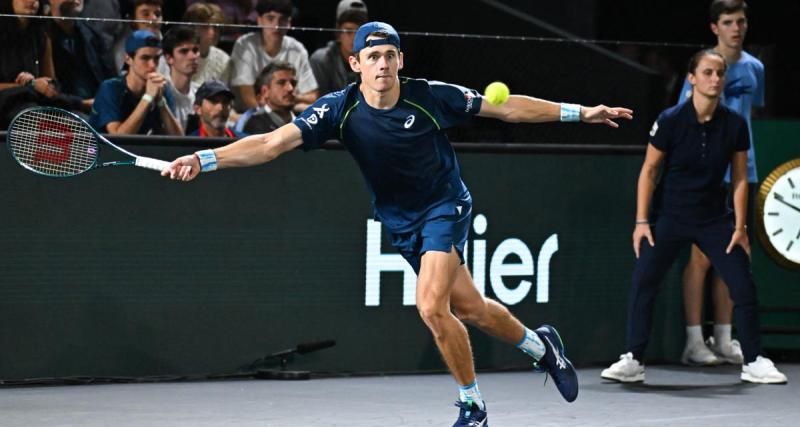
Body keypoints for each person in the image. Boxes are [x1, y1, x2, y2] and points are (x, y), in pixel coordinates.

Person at [163, 22, 633, 425]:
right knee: (469, 307)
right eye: (373, 56)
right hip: (400, 221)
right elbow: (269, 144)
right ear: (357, 64)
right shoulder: (338, 108)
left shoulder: (430, 96)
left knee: (430, 307)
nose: (383, 64)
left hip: (445, 205)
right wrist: (206, 158)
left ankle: (473, 407)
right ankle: (543, 348)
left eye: (390, 55)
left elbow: (507, 107)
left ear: (400, 60)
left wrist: (581, 112)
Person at [600, 49, 786, 385]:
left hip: (715, 219)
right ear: (692, 78)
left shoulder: (734, 124)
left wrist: (740, 226)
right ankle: (634, 359)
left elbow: (741, 176)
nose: (715, 79)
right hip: (670, 216)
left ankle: (755, 360)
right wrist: (642, 221)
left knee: (743, 285)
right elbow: (650, 170)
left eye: (719, 74)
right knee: (644, 281)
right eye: (708, 73)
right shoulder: (671, 120)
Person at [676, 0, 765, 367]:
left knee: (736, 254)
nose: (736, 28)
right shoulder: (703, 68)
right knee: (700, 257)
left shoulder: (756, 67)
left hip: (744, 172)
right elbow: (689, 117)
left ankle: (725, 339)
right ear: (715, 27)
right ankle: (694, 341)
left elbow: (750, 112)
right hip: (707, 174)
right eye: (728, 22)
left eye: (741, 21)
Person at [228, 0, 318, 112]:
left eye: (282, 19)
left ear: (289, 23)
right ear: (259, 21)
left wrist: (286, 97)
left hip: (286, 113)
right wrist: (279, 106)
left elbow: (312, 96)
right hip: (249, 115)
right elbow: (248, 97)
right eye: (270, 18)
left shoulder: (297, 48)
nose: (276, 26)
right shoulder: (245, 45)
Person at [90, 29, 182, 135]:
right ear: (128, 59)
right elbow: (118, 138)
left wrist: (161, 102)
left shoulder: (162, 88)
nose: (152, 65)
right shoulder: (110, 88)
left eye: (156, 58)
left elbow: (178, 139)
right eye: (145, 58)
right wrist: (147, 98)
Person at [45, 0, 116, 115]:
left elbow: (110, 77)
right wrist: (81, 103)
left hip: (98, 108)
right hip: (60, 112)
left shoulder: (92, 35)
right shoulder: (40, 35)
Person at [0, 0, 59, 128]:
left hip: (34, 102)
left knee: (79, 119)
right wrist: (31, 84)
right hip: (7, 104)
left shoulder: (42, 37)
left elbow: (51, 82)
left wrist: (44, 85)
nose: (32, 1)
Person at [309, 0, 368, 95]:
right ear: (338, 33)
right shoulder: (321, 60)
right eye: (348, 31)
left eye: (359, 32)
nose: (354, 37)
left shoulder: (370, 59)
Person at [234, 61, 296, 135]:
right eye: (281, 83)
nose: (290, 88)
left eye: (293, 83)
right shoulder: (254, 124)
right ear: (265, 91)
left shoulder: (306, 120)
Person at [162, 26, 201, 132]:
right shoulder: (160, 91)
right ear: (169, 58)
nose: (192, 56)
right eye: (184, 51)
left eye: (195, 50)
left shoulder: (200, 92)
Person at [183, 2, 231, 86]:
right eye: (205, 27)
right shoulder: (176, 55)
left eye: (216, 27)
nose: (212, 32)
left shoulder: (223, 60)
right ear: (191, 28)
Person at [112, 0, 164, 72]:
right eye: (146, 14)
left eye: (157, 14)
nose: (154, 18)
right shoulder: (121, 50)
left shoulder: (166, 43)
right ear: (132, 20)